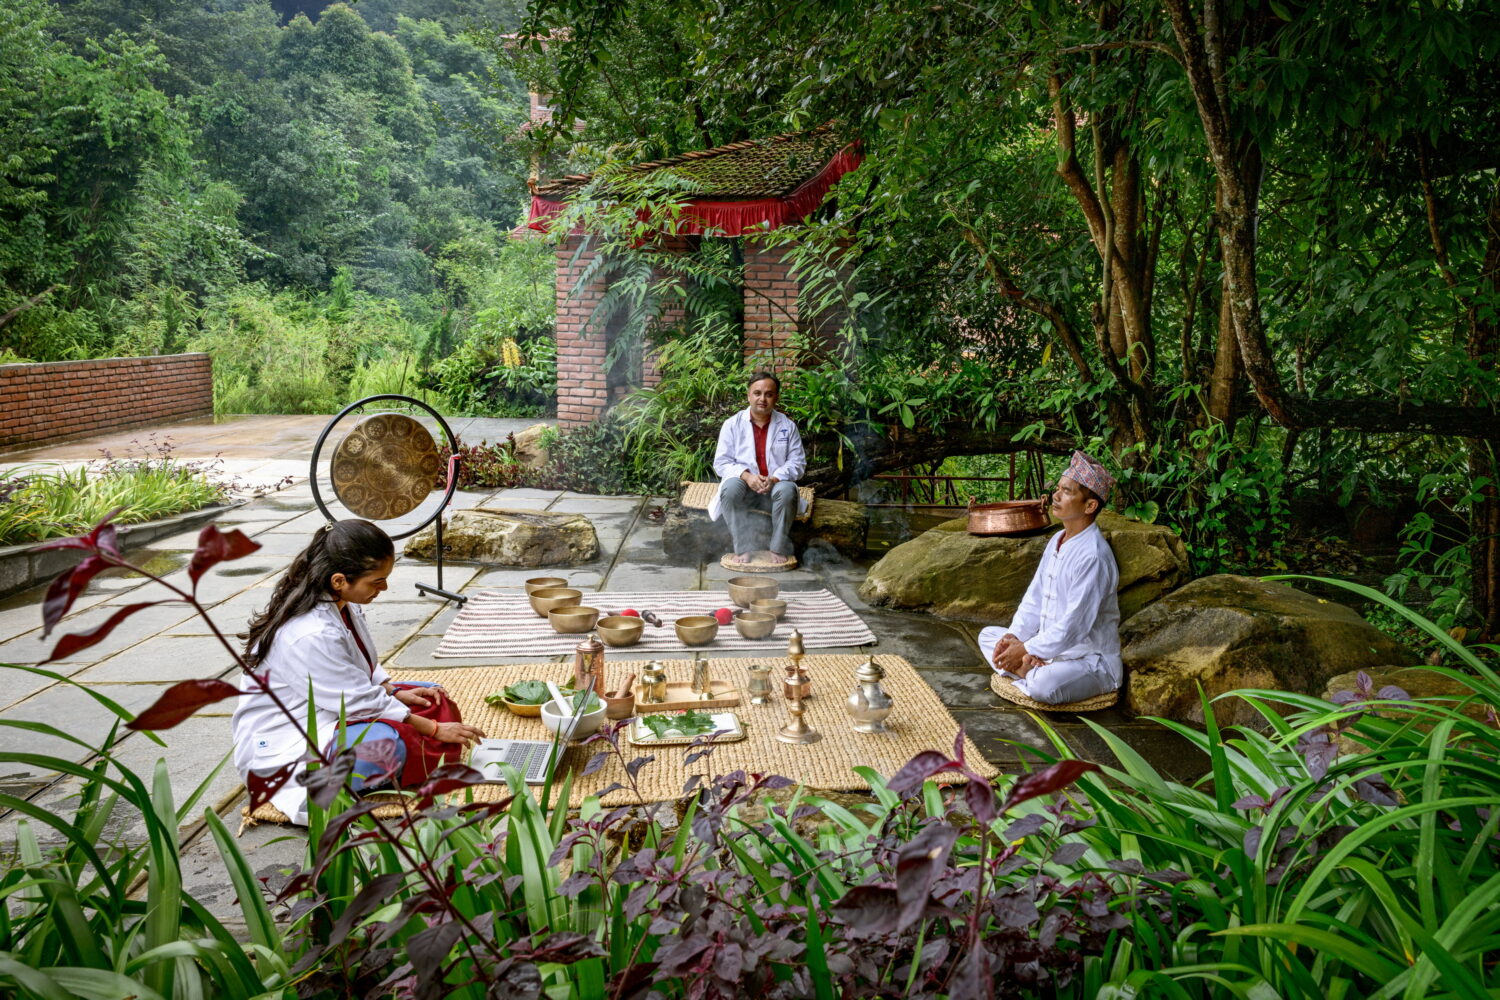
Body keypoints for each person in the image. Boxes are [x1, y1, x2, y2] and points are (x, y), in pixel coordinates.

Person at [231, 519, 484, 823]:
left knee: (431, 694)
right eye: (377, 581)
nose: (384, 588)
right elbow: (355, 700)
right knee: (386, 746)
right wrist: (432, 729)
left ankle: (412, 745)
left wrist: (394, 691)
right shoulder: (309, 633)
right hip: (291, 742)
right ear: (339, 580)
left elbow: (361, 668)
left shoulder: (339, 602)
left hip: (335, 705)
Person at [976, 452, 1123, 705]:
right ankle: (1029, 667)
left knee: (1046, 686)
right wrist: (1014, 640)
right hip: (1047, 652)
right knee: (989, 636)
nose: (1055, 496)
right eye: (1057, 489)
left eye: (1066, 491)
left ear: (1089, 506)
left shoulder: (1093, 556)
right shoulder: (1057, 540)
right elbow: (1033, 599)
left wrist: (1026, 651)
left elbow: (1074, 626)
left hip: (1088, 661)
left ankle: (1027, 671)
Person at [709, 371, 808, 571]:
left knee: (788, 490)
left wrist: (775, 478)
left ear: (776, 398)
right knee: (729, 487)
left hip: (774, 488)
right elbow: (721, 463)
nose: (762, 399)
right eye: (757, 393)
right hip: (744, 488)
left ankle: (778, 548)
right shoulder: (732, 425)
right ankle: (743, 547)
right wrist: (746, 476)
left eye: (769, 394)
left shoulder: (787, 427)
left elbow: (798, 463)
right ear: (748, 395)